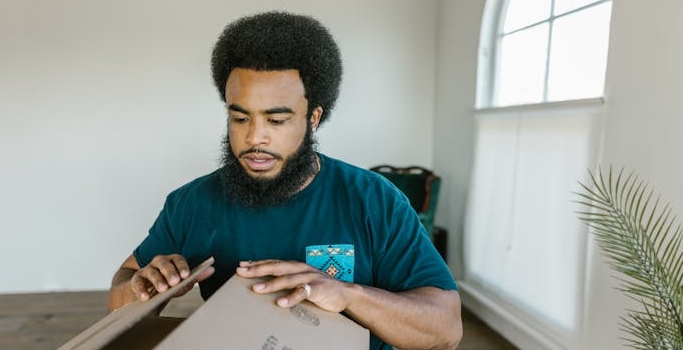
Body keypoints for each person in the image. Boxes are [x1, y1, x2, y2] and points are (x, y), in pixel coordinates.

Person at [108, 11, 462, 350]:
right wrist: (145, 287)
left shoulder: (373, 200)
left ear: (313, 118)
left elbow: (445, 329)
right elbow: (121, 291)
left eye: (276, 121)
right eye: (241, 118)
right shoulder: (191, 203)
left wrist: (347, 294)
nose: (254, 138)